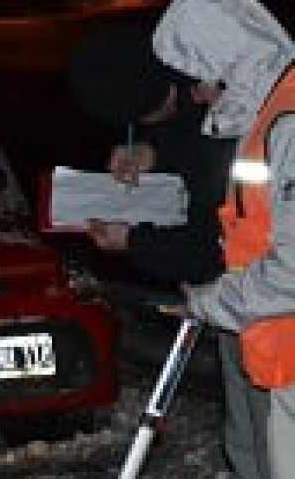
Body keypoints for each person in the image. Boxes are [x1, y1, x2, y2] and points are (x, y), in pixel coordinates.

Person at [152, 0, 295, 479]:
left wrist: (211, 303)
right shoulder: (260, 114)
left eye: (198, 77)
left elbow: (293, 267)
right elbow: (241, 225)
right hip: (259, 340)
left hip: (284, 345)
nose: (195, 95)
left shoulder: (290, 121)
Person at [66, 19, 233, 286]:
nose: (201, 95)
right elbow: (190, 134)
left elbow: (217, 252)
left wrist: (134, 242)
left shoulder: (236, 123)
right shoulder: (191, 73)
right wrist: (154, 152)